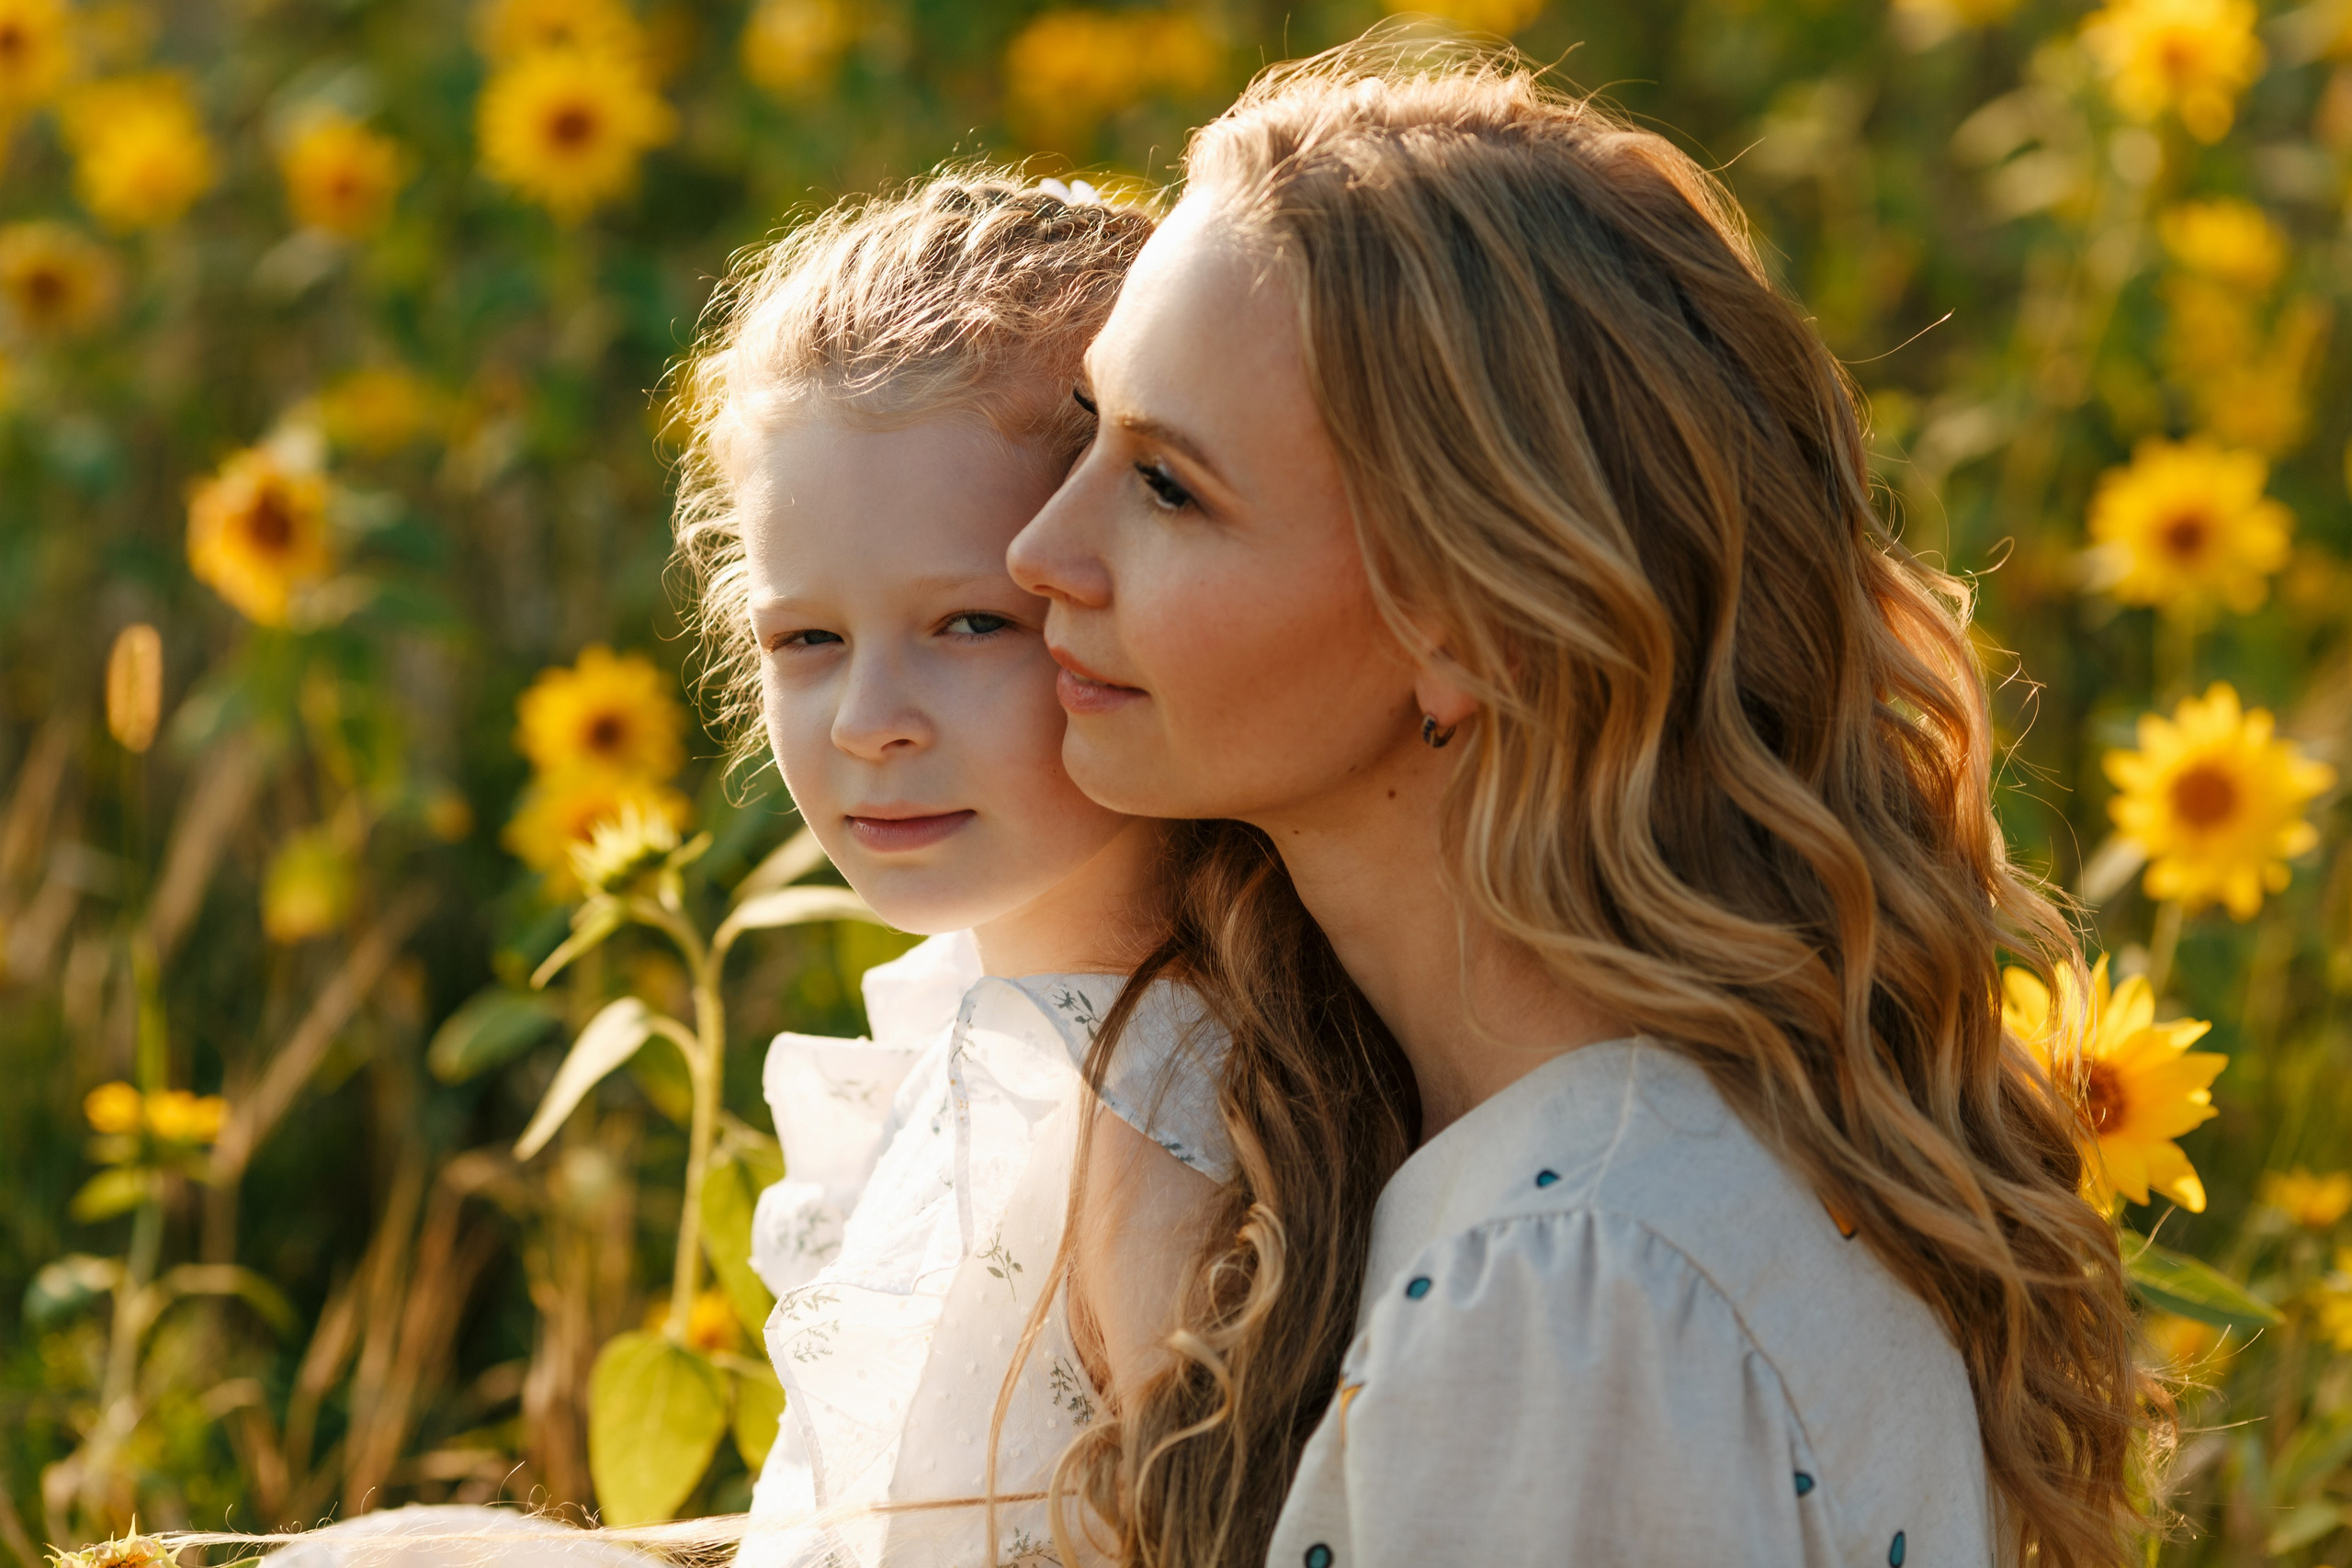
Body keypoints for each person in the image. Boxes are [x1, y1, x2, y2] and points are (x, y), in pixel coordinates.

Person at [1009, 40, 2151, 1568]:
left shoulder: (1565, 1284)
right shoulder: (1640, 1169)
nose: (1039, 550)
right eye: (1090, 431)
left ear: (1479, 626)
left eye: (1169, 487)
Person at [669, 172, 1416, 1568]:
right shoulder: (967, 1028)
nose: (868, 719)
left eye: (969, 622)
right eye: (804, 641)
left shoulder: (1169, 1114)